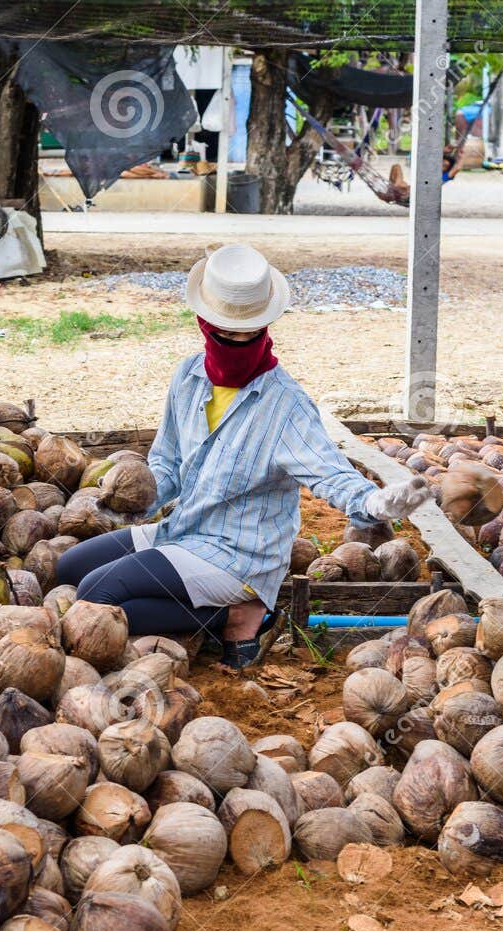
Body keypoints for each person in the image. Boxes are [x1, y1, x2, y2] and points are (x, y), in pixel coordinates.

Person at [56, 243, 431, 669]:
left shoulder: (285, 404)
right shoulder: (189, 376)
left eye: (250, 331)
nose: (238, 341)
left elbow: (330, 474)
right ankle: (201, 610)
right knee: (70, 566)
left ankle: (236, 614)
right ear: (203, 322)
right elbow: (167, 462)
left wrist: (373, 502)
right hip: (186, 529)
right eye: (225, 332)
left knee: (95, 592)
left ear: (268, 323)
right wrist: (139, 497)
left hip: (239, 555)